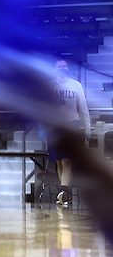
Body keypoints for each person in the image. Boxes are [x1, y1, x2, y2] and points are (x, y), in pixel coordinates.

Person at [50, 60, 90, 206]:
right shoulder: (49, 86)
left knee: (68, 160)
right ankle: (65, 194)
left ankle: (64, 191)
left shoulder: (76, 85)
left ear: (68, 68)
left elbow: (83, 109)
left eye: (64, 65)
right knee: (59, 162)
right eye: (59, 66)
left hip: (71, 126)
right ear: (54, 69)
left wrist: (87, 129)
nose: (62, 67)